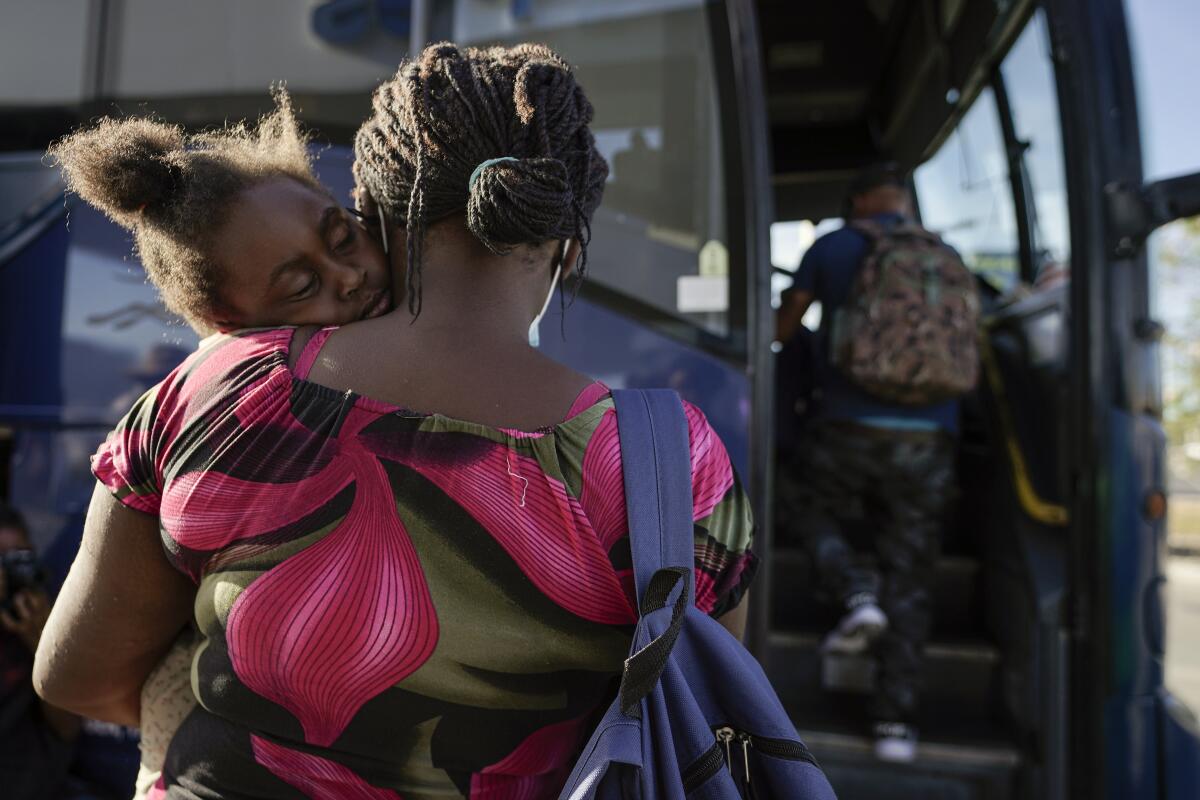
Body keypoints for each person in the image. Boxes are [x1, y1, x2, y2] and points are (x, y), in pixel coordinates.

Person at [35, 42, 757, 799]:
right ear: (569, 250)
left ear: (372, 210)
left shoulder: (218, 387)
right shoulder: (675, 463)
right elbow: (703, 722)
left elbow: (75, 676)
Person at [46, 91, 393, 798]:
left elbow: (79, 677)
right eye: (302, 286)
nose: (350, 278)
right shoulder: (214, 405)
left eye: (343, 236)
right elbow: (72, 677)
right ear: (223, 324)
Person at [776, 164, 961, 762]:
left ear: (855, 200)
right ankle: (894, 726)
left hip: (845, 424)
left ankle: (854, 591)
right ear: (904, 201)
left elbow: (784, 328)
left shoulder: (834, 246)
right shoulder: (944, 254)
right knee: (909, 566)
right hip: (930, 435)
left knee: (803, 503)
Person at [0, 504, 80, 799]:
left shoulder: (46, 613)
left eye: (20, 559)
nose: (11, 575)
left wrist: (43, 640)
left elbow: (67, 727)